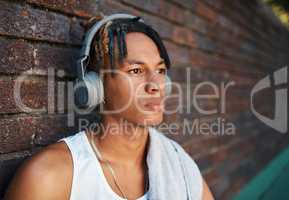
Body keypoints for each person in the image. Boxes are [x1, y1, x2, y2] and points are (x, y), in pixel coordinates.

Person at [4, 14, 214, 200]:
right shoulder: (49, 175)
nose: (156, 86)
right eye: (136, 71)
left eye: (159, 70)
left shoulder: (179, 164)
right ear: (95, 86)